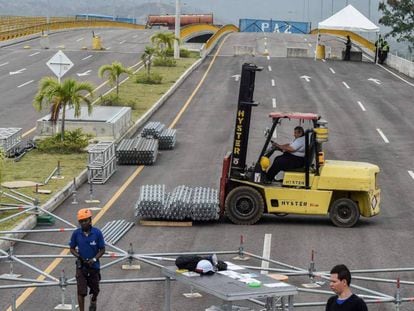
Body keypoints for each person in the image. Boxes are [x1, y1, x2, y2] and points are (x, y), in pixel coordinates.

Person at [70, 208, 105, 311]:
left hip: (94, 266)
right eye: (81, 221)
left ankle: (93, 300)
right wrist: (79, 257)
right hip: (81, 267)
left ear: (90, 220)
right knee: (81, 291)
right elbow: (72, 249)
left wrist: (94, 259)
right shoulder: (76, 234)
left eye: (86, 220)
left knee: (95, 290)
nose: (84, 223)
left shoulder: (97, 233)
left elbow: (102, 249)